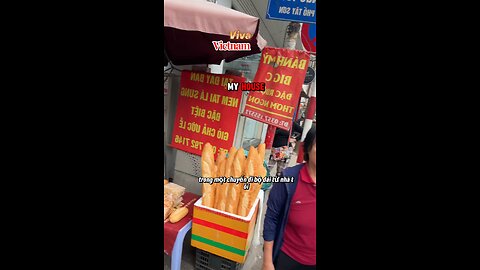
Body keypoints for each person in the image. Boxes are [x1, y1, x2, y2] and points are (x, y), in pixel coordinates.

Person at [262, 127, 316, 270]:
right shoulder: (287, 180)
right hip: (288, 258)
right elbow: (271, 218)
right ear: (308, 148)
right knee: (273, 167)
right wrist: (267, 261)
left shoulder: (292, 126)